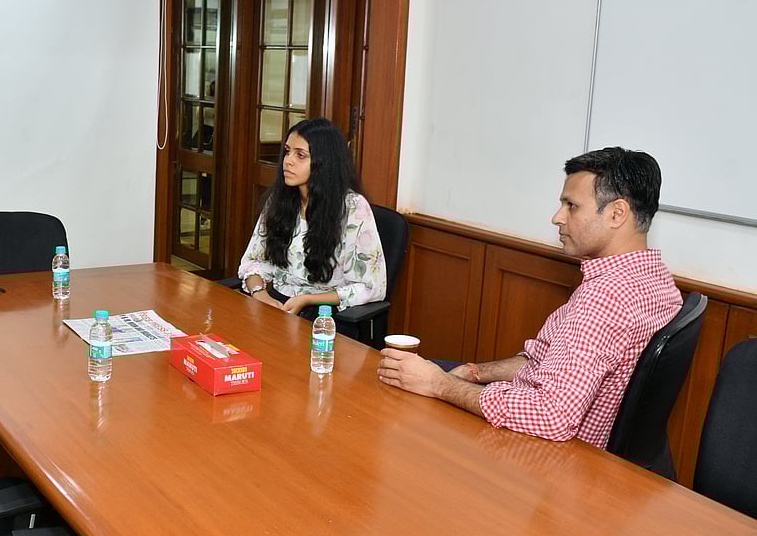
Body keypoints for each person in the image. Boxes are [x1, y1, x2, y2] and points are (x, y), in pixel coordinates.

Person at [377, 147, 683, 448]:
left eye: (571, 206)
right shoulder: (656, 281)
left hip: (548, 457)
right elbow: (549, 363)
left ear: (617, 213)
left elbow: (551, 415)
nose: (557, 217)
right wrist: (476, 372)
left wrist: (439, 384)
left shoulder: (606, 298)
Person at [238, 117, 386, 335]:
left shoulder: (353, 208)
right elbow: (253, 261)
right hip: (275, 305)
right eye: (287, 152)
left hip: (326, 316)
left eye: (300, 155)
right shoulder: (280, 200)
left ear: (324, 163)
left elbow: (371, 288)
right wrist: (260, 293)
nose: (287, 161)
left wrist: (307, 299)